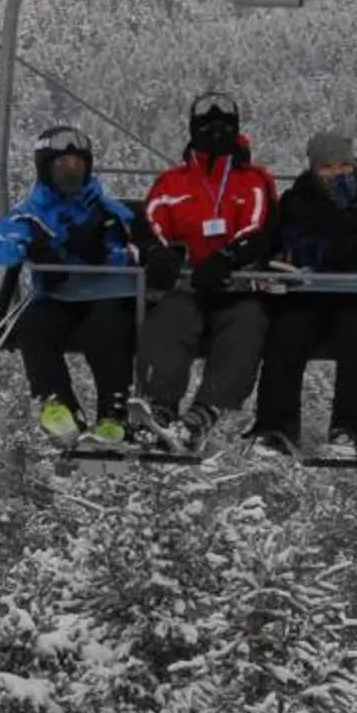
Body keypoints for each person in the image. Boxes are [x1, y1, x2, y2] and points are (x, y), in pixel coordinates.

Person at [252, 128, 357, 458]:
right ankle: (274, 428)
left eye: (344, 164)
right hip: (313, 292)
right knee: (287, 334)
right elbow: (286, 244)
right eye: (328, 167)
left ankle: (352, 432)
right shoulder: (298, 200)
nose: (338, 173)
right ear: (314, 169)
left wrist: (331, 253)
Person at [0, 124, 145, 443]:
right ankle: (57, 403)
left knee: (107, 325)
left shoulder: (108, 211)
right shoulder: (34, 213)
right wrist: (30, 248)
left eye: (77, 164)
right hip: (60, 297)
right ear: (46, 169)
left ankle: (113, 412)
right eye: (61, 165)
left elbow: (141, 250)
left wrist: (105, 255)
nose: (70, 171)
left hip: (108, 295)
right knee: (33, 322)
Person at [135, 93, 277, 448]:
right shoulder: (173, 182)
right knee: (170, 318)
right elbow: (152, 221)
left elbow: (259, 228)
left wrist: (227, 258)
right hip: (187, 281)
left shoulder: (252, 180)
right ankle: (161, 407)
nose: (216, 133)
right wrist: (159, 253)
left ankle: (202, 414)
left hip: (236, 284)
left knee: (246, 326)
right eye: (207, 126)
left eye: (224, 126)